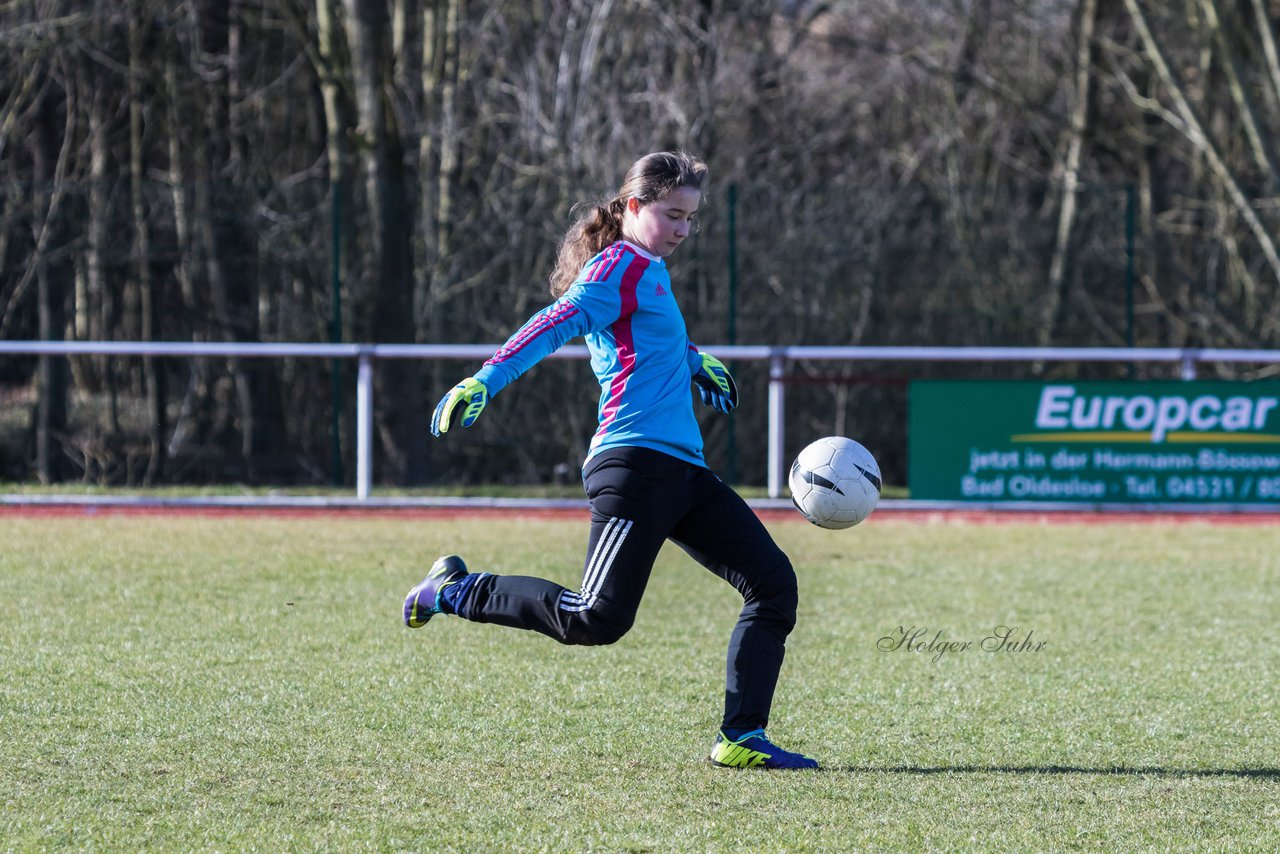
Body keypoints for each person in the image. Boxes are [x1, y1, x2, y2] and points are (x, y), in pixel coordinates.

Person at [404, 151, 817, 770]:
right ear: (634, 206)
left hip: (683, 472)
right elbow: (556, 321)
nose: (683, 230)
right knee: (595, 618)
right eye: (673, 215)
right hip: (634, 468)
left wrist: (693, 360)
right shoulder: (617, 266)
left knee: (773, 584)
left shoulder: (649, 270)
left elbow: (651, 336)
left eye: (691, 219)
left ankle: (741, 736)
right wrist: (485, 379)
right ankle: (453, 590)